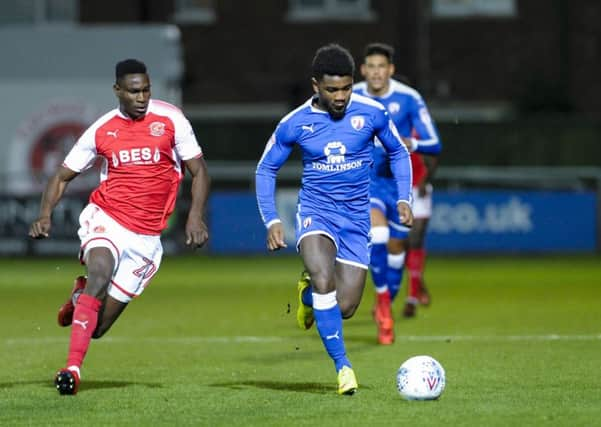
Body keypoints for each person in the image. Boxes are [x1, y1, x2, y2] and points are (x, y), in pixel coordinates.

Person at [28, 59, 210, 395]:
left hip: (146, 239)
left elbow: (198, 171)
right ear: (118, 91)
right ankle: (71, 370)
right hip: (107, 218)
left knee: (96, 328)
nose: (142, 97)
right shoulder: (102, 129)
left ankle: (80, 296)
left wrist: (195, 215)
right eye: (134, 91)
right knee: (100, 272)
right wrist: (44, 214)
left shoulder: (171, 119)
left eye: (146, 90)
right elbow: (62, 175)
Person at [255, 44, 413, 395]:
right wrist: (272, 220)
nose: (340, 96)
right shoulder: (294, 123)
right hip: (316, 212)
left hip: (357, 219)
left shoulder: (371, 113)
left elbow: (399, 152)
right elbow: (266, 168)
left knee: (346, 307)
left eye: (345, 88)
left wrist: (404, 197)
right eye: (332, 90)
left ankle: (307, 297)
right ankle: (344, 368)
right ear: (316, 86)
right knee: (324, 277)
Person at [353, 43, 442, 343]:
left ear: (390, 69)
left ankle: (387, 298)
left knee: (396, 251)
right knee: (376, 236)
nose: (376, 72)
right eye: (371, 67)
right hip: (368, 182)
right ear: (364, 70)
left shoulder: (409, 98)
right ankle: (383, 308)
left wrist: (411, 144)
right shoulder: (351, 96)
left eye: (382, 67)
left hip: (402, 185)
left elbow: (434, 143)